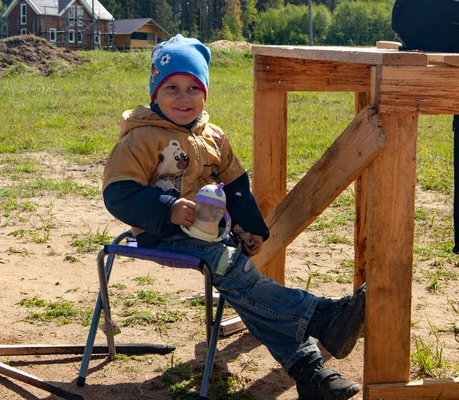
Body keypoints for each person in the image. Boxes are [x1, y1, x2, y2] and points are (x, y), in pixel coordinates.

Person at [102, 34, 366, 400]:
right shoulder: (141, 138)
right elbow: (119, 194)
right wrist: (167, 209)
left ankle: (311, 375)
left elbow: (237, 186)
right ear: (154, 93)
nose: (183, 98)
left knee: (247, 291)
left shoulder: (213, 136)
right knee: (235, 272)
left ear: (205, 93)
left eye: (194, 88)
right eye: (172, 88)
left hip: (212, 233)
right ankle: (320, 315)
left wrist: (252, 228)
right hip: (163, 232)